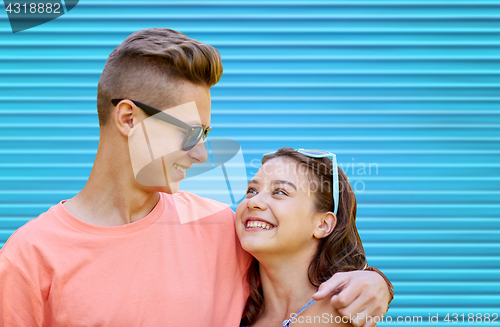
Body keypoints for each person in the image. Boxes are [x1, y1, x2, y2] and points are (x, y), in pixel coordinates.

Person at [0, 28, 392, 326]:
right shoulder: (28, 260)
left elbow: (303, 265)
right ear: (128, 118)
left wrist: (376, 284)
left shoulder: (223, 228)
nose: (202, 154)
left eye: (204, 135)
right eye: (189, 133)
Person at [237, 148, 379, 326]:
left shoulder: (342, 316)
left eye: (280, 192)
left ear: (323, 225)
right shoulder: (233, 314)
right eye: (252, 190)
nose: (253, 202)